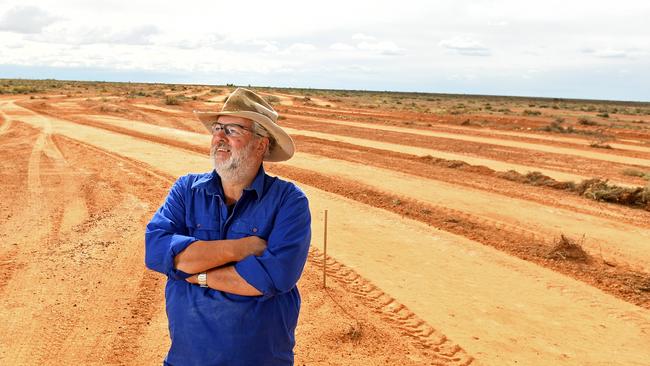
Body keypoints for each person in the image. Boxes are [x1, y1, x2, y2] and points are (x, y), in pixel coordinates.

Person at [145, 87, 311, 366]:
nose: (219, 138)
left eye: (232, 130)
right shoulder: (186, 190)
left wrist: (193, 273)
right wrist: (241, 248)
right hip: (187, 359)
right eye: (217, 128)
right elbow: (156, 251)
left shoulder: (289, 201)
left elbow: (272, 278)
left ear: (261, 144)